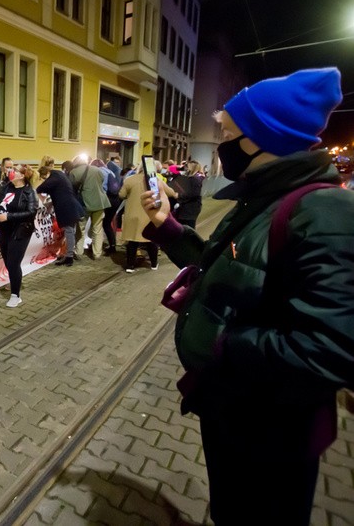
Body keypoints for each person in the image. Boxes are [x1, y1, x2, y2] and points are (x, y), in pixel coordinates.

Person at [140, 68, 354, 525]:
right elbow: (234, 267)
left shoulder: (322, 212)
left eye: (229, 134)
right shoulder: (265, 197)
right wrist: (167, 226)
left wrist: (223, 344)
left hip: (273, 435)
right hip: (236, 413)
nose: (222, 146)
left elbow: (331, 349)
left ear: (261, 138)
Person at [0, 164, 38, 307]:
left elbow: (31, 212)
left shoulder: (29, 192)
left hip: (20, 231)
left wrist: (9, 216)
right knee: (7, 261)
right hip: (3, 230)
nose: (11, 172)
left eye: (15, 170)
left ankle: (15, 295)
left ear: (22, 176)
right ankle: (14, 280)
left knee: (13, 262)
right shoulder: (6, 187)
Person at [119, 169, 175, 272]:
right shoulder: (155, 179)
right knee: (151, 240)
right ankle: (153, 264)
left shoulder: (129, 180)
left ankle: (130, 266)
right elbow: (170, 192)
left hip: (133, 215)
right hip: (149, 214)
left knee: (132, 240)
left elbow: (121, 194)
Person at [37, 159, 84, 266]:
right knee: (71, 232)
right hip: (72, 207)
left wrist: (40, 196)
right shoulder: (59, 175)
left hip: (67, 208)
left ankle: (69, 257)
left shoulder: (54, 177)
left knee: (69, 232)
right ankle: (69, 255)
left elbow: (40, 188)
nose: (44, 180)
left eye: (44, 178)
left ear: (47, 174)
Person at [68, 156, 111, 259]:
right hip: (99, 203)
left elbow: (71, 188)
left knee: (80, 229)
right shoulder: (97, 170)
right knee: (97, 229)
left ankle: (79, 251)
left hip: (84, 203)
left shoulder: (73, 172)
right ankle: (97, 253)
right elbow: (101, 182)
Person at [91, 158, 120, 254]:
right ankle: (112, 245)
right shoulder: (110, 171)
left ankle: (102, 246)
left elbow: (102, 188)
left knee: (102, 224)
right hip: (115, 200)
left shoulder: (99, 172)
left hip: (107, 200)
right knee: (107, 223)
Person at [170, 160, 204, 229]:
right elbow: (172, 169)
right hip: (187, 208)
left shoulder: (195, 179)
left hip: (190, 209)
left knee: (187, 227)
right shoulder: (190, 178)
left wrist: (179, 196)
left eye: (187, 167)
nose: (185, 169)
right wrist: (180, 167)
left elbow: (194, 194)